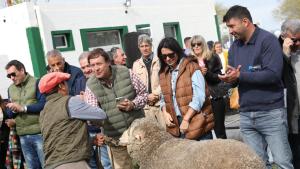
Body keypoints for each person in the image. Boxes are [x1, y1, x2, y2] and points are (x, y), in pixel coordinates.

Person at [220, 5, 293, 168]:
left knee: (283, 163)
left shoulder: (268, 40)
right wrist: (229, 79)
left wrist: (240, 75)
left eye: (231, 26)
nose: (230, 31)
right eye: (228, 28)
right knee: (256, 164)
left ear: (245, 21)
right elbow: (236, 78)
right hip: (246, 115)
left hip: (271, 113)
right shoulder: (234, 47)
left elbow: (273, 75)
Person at [84, 48, 147, 169]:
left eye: (99, 64)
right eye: (92, 65)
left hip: (139, 133)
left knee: (146, 165)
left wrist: (133, 104)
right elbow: (92, 115)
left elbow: (144, 94)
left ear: (108, 62)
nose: (95, 68)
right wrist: (93, 118)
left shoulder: (126, 72)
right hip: (115, 139)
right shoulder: (90, 85)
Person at [38, 72, 107, 169]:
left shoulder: (43, 111)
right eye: (66, 83)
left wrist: (91, 141)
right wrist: (86, 101)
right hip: (73, 163)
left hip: (52, 164)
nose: (68, 85)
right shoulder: (70, 102)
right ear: (61, 86)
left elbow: (61, 137)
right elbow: (101, 115)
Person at [158, 37, 213, 140]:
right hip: (176, 126)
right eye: (164, 56)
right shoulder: (163, 73)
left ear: (178, 52)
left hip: (197, 123)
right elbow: (163, 98)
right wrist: (165, 113)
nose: (168, 59)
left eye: (171, 55)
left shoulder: (192, 66)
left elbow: (200, 96)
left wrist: (186, 119)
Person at [5, 60, 45, 169]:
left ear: (22, 70)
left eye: (13, 74)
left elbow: (44, 104)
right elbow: (8, 112)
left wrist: (23, 108)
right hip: (22, 135)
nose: (12, 78)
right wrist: (13, 109)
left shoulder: (37, 82)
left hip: (39, 134)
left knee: (47, 166)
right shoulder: (10, 89)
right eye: (9, 76)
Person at [78, 52, 112, 169]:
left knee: (108, 163)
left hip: (103, 129)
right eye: (83, 67)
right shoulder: (79, 82)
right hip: (88, 132)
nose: (87, 70)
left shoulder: (101, 80)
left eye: (88, 66)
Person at [190, 35, 227, 139]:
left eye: (199, 44)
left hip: (214, 97)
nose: (196, 46)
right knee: (202, 132)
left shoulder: (212, 57)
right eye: (193, 45)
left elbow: (219, 78)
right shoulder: (190, 61)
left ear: (203, 45)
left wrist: (206, 74)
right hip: (198, 100)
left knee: (219, 131)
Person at [132, 34, 165, 129]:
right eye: (142, 46)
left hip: (160, 104)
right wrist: (147, 97)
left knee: (166, 134)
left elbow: (165, 79)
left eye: (147, 45)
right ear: (139, 48)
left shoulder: (160, 60)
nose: (145, 48)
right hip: (145, 107)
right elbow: (135, 86)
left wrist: (156, 94)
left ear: (151, 46)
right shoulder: (136, 65)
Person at [280, 19, 300, 169]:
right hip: (291, 112)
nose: (298, 43)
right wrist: (285, 55)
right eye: (295, 40)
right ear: (283, 36)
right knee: (296, 152)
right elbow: (276, 75)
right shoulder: (276, 51)